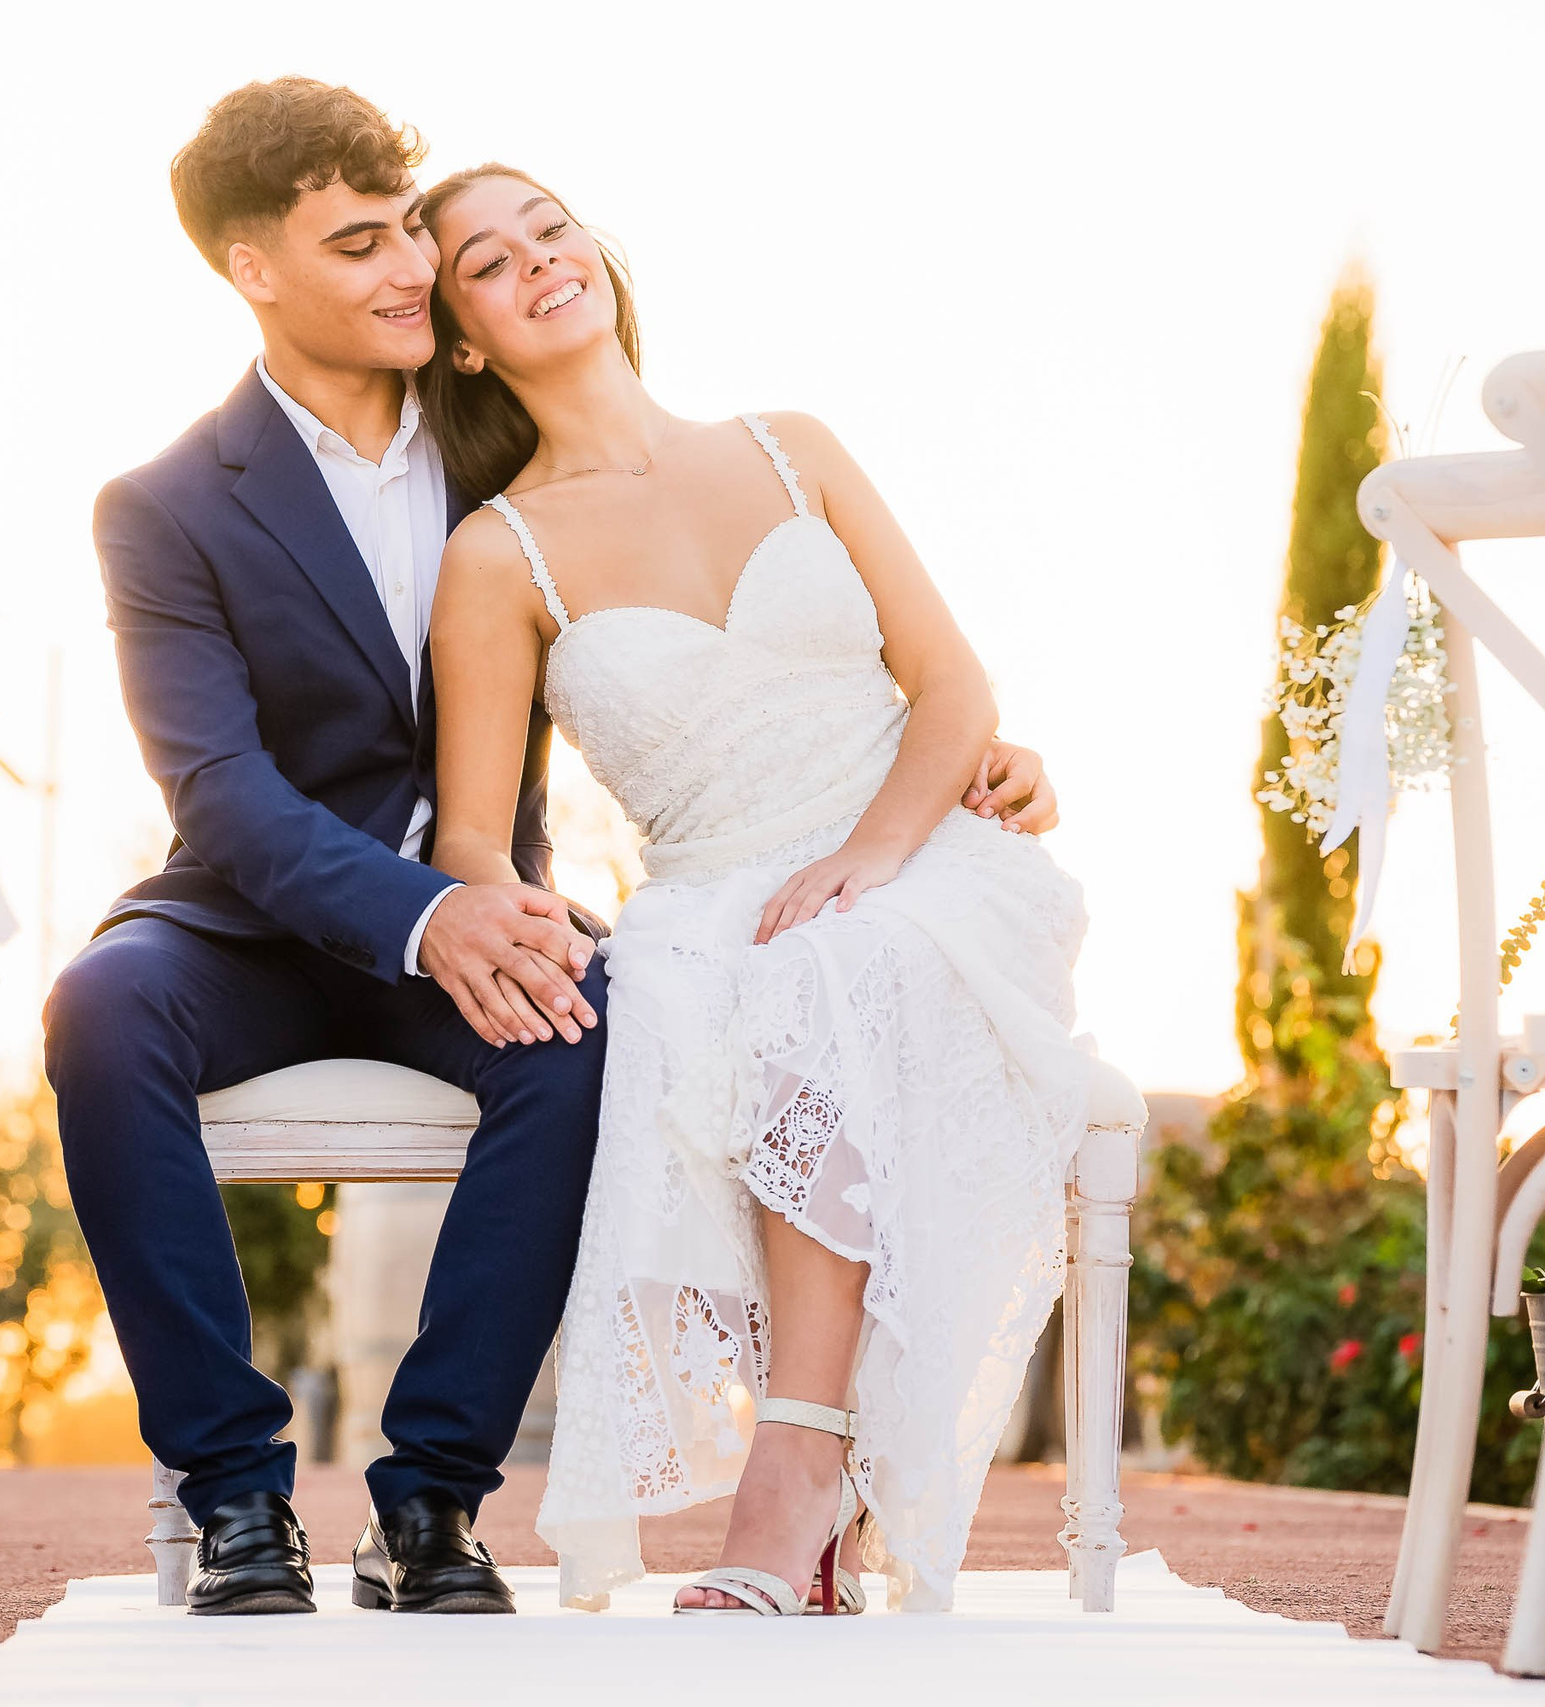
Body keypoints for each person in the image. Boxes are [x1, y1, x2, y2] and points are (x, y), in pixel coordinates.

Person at [57, 80, 1055, 1617]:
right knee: (102, 1009)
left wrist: (941, 760)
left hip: (489, 908)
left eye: (410, 235)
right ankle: (237, 1493)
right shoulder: (168, 507)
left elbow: (767, 646)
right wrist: (427, 913)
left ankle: (432, 1505)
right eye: (359, 245)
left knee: (585, 1035)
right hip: (254, 920)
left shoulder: (505, 460)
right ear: (256, 270)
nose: (405, 268)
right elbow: (223, 792)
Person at [417, 163, 1117, 1616]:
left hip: (925, 857)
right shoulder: (498, 554)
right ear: (463, 337)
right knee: (700, 992)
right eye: (490, 260)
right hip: (704, 892)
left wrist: (873, 851)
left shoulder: (790, 445)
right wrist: (524, 924)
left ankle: (792, 1480)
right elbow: (473, 837)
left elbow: (950, 685)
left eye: (551, 225)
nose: (541, 256)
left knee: (832, 963)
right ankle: (818, 1483)